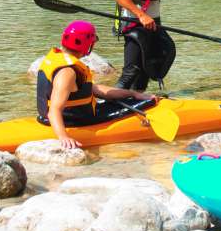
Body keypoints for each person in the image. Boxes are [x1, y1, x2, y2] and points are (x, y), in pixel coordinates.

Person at [37, 20, 157, 149]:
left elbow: (95, 89)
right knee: (147, 105)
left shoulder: (56, 59)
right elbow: (55, 109)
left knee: (129, 100)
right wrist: (63, 137)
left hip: (48, 118)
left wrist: (133, 94)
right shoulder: (68, 71)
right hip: (73, 120)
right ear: (87, 44)